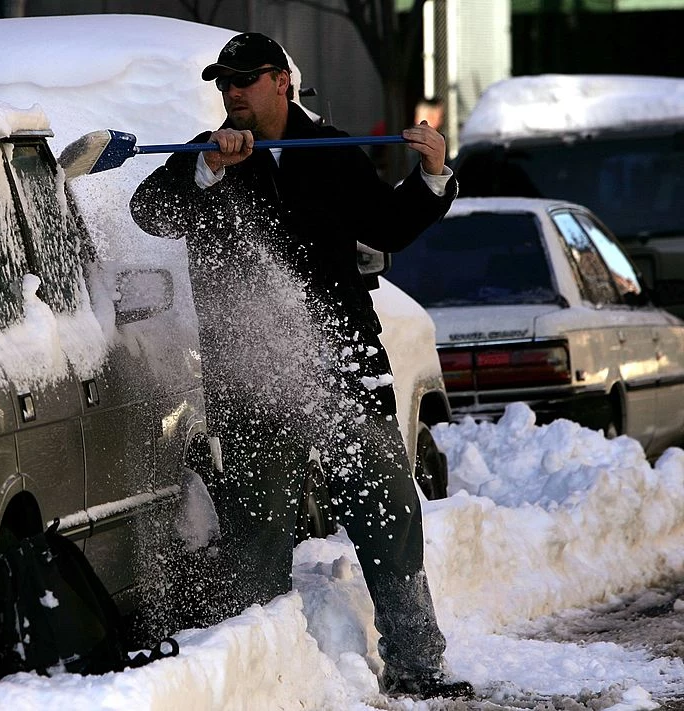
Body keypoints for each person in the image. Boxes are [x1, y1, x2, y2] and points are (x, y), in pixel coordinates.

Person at [129, 32, 473, 699]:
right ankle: (266, 679)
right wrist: (209, 171)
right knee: (257, 540)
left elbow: (388, 225)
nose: (231, 93)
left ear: (280, 82)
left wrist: (433, 176)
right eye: (223, 83)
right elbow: (151, 212)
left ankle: (417, 665)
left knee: (389, 514)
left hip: (342, 367)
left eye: (244, 81)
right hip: (253, 380)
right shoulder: (207, 157)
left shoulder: (332, 152)